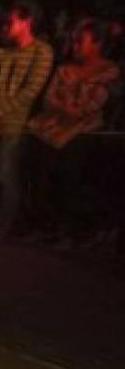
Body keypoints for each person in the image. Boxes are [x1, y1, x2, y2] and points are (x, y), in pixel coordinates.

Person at [27, 19, 121, 245]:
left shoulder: (109, 72)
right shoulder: (65, 69)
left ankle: (73, 230)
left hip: (82, 135)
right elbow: (49, 98)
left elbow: (93, 104)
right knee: (43, 179)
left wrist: (69, 106)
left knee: (72, 181)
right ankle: (48, 226)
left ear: (97, 43)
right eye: (74, 41)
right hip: (50, 133)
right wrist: (66, 107)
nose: (75, 47)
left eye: (81, 41)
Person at [0, 0, 54, 239]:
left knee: (8, 175)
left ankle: (3, 227)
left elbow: (31, 90)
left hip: (14, 124)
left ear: (27, 21)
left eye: (11, 20)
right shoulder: (0, 51)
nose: (6, 26)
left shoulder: (42, 51)